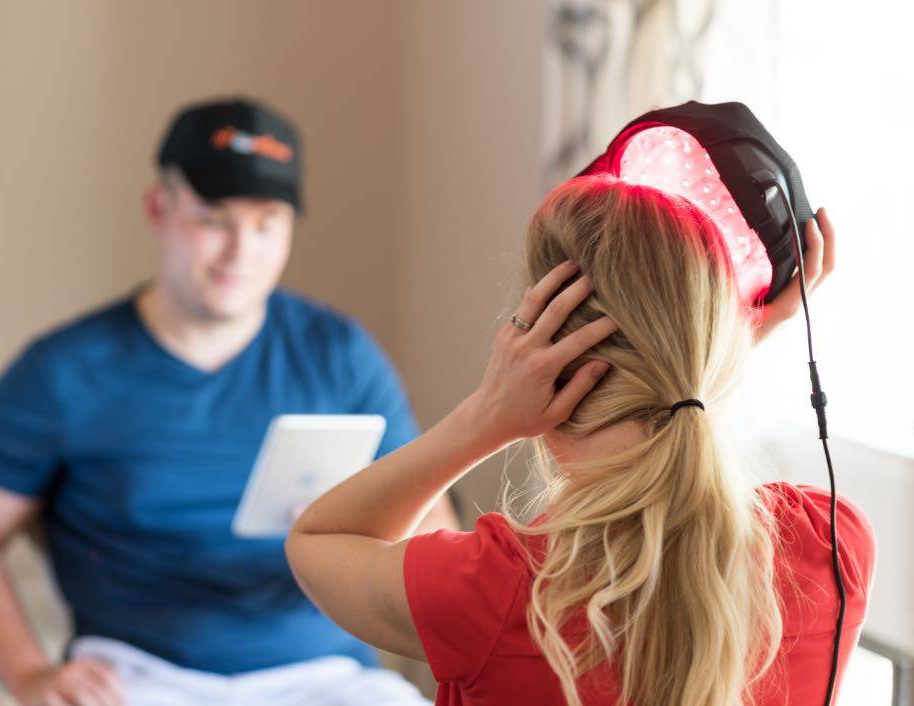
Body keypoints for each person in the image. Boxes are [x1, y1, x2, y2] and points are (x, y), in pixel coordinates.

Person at [0, 97, 455, 706]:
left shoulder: (341, 354)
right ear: (159, 208)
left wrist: (358, 525)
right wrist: (29, 675)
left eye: (266, 224)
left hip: (324, 675)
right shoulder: (62, 371)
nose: (241, 251)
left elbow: (436, 533)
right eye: (213, 219)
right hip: (136, 676)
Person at [286, 175, 875, 706]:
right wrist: (705, 361)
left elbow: (319, 541)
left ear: (544, 367)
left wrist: (486, 417)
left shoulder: (500, 590)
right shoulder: (833, 546)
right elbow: (682, 433)